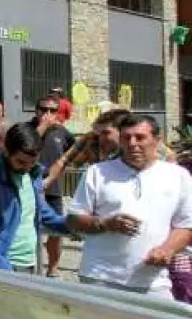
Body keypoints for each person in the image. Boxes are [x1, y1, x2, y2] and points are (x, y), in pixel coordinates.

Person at [67, 114, 192, 299]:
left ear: (157, 140)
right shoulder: (97, 173)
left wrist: (167, 249)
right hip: (100, 277)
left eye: (140, 137)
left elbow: (186, 226)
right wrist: (105, 224)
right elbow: (73, 220)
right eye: (126, 138)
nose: (132, 143)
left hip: (153, 282)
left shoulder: (178, 176)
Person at [0, 123, 71, 271]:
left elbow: (43, 213)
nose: (27, 168)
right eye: (21, 162)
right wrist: (2, 267)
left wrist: (76, 225)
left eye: (32, 162)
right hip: (2, 268)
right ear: (6, 151)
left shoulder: (32, 174)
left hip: (28, 265)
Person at [31, 95, 75, 277]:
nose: (48, 114)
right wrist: (42, 127)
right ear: (36, 110)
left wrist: (62, 166)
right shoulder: (29, 129)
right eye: (44, 109)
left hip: (53, 189)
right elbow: (27, 145)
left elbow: (73, 150)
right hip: (31, 188)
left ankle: (53, 266)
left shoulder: (62, 132)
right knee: (30, 227)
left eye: (53, 110)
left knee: (55, 232)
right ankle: (31, 264)